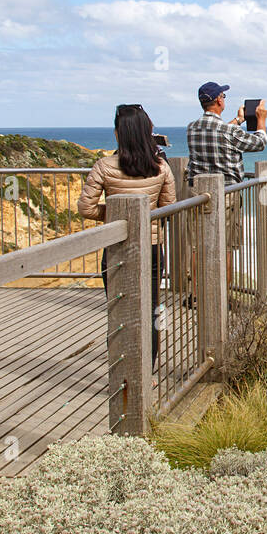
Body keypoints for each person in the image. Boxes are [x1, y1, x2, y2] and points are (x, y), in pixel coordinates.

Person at [77, 104, 176, 367]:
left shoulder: (104, 166)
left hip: (117, 248)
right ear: (146, 132)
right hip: (152, 246)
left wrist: (114, 216)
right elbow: (169, 208)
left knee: (118, 310)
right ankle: (147, 371)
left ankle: (122, 371)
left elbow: (85, 208)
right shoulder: (161, 167)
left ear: (118, 133)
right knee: (151, 308)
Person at [185, 82, 267, 259]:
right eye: (223, 96)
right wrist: (261, 120)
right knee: (226, 249)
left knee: (196, 247)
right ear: (218, 100)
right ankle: (224, 287)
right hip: (227, 195)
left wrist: (238, 120)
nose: (224, 99)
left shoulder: (191, 128)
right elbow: (259, 143)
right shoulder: (228, 131)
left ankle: (196, 286)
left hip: (198, 196)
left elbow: (217, 132)